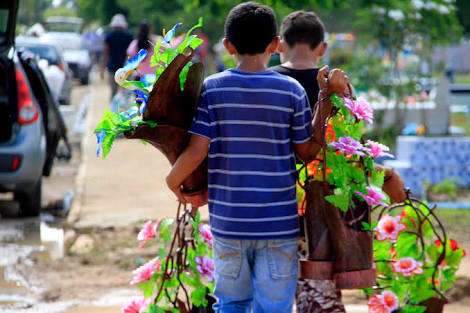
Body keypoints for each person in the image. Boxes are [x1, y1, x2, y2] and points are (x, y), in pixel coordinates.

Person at [165, 3, 348, 312]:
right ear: (276, 45)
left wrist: (172, 182)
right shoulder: (290, 91)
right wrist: (325, 100)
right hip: (279, 225)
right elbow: (306, 152)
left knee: (232, 302)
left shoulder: (213, 88)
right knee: (274, 306)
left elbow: (197, 150)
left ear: (227, 46)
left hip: (229, 223)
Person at [271, 10, 406, 313]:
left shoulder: (271, 84)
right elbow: (353, 150)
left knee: (277, 292)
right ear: (323, 48)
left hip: (278, 203)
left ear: (279, 46)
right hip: (328, 202)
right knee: (319, 294)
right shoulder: (337, 86)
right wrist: (385, 175)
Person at [100, 14, 133, 100]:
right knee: (125, 92)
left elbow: (105, 53)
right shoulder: (129, 36)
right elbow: (131, 53)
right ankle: (125, 111)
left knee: (113, 92)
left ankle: (113, 110)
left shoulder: (109, 36)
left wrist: (102, 70)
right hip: (126, 67)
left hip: (112, 67)